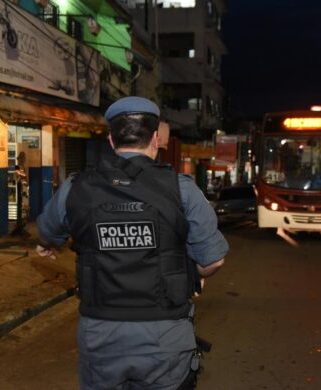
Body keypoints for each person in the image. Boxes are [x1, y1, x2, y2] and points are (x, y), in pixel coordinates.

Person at [36, 96, 228, 389]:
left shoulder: (75, 187)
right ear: (155, 139)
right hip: (165, 334)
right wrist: (191, 274)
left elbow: (48, 233)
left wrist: (49, 244)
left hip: (101, 333)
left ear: (111, 140)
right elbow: (212, 261)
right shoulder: (183, 190)